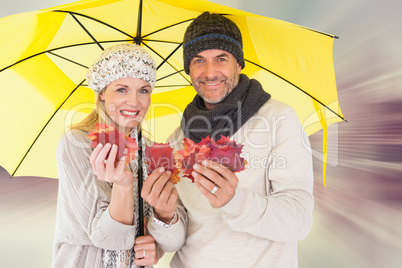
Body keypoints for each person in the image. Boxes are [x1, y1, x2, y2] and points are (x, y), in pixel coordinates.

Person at [142, 12, 314, 268]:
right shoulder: (177, 140)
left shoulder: (279, 119)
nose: (210, 73)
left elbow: (299, 221)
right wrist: (165, 217)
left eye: (220, 59)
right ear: (189, 69)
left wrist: (235, 202)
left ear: (239, 64)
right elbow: (173, 243)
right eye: (199, 60)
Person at [53, 43, 161, 268]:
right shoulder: (77, 142)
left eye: (143, 90)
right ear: (102, 93)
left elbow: (154, 226)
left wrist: (156, 248)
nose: (134, 101)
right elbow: (107, 238)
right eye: (122, 89)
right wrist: (123, 185)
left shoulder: (149, 150)